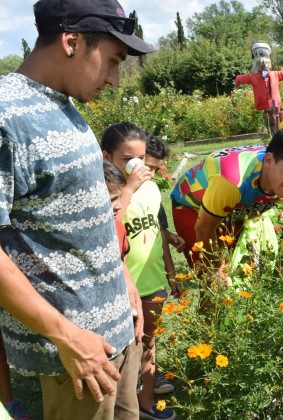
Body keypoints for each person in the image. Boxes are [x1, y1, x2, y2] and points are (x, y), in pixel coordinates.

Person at [0, 0, 155, 417]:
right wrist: (67, 337)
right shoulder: (5, 115)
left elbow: (81, 216)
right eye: (112, 61)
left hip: (115, 334)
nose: (115, 79)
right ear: (71, 41)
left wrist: (120, 277)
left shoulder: (63, 107)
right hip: (74, 357)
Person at [101, 123, 178, 420]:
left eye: (142, 159)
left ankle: (145, 403)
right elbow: (114, 217)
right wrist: (130, 185)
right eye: (127, 160)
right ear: (106, 157)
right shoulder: (106, 192)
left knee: (150, 345)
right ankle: (124, 406)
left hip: (152, 279)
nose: (138, 166)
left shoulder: (151, 188)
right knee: (123, 354)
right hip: (122, 287)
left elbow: (157, 232)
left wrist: (169, 272)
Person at [171, 127, 283, 268]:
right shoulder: (233, 182)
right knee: (210, 274)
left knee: (238, 270)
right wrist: (216, 269)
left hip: (233, 206)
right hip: (191, 206)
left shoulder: (278, 176)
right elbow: (204, 229)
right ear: (268, 160)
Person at [234, 42, 283, 134]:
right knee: (273, 119)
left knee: (273, 119)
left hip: (269, 103)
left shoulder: (256, 77)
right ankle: (276, 133)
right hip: (270, 103)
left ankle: (276, 133)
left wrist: (237, 82)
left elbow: (240, 78)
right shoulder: (272, 75)